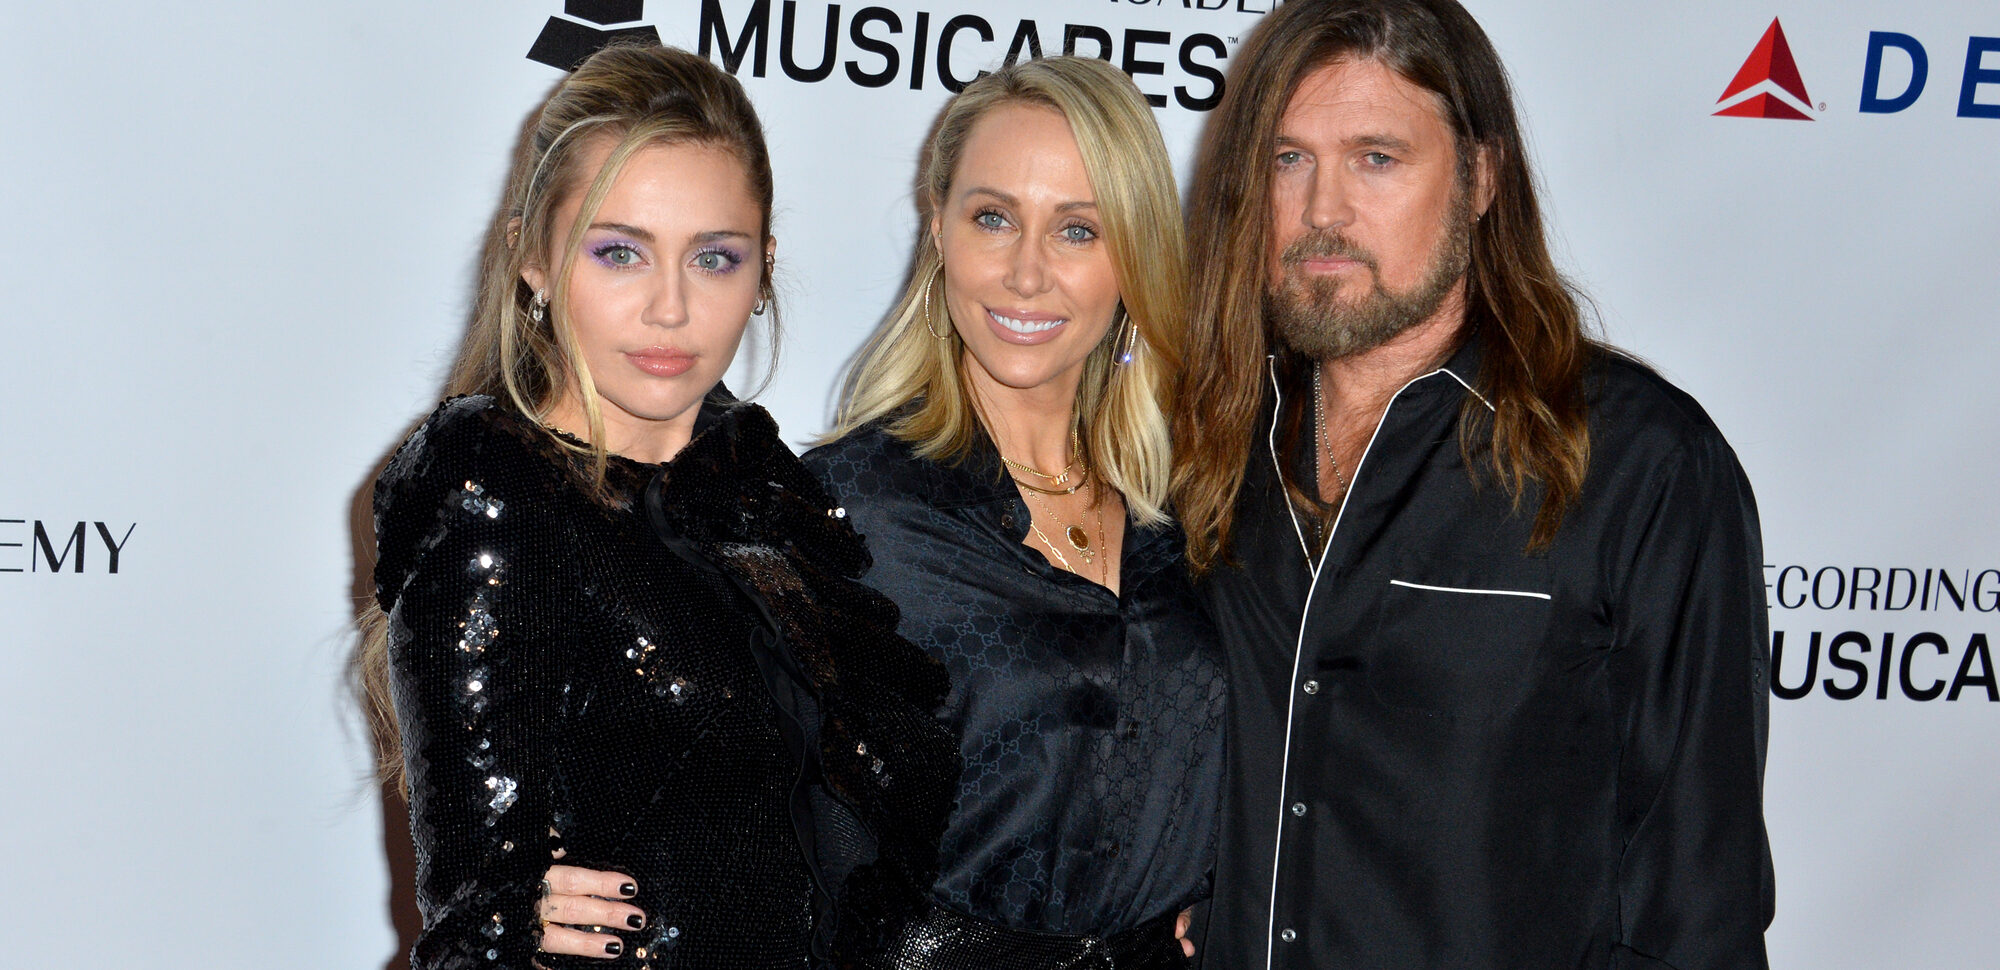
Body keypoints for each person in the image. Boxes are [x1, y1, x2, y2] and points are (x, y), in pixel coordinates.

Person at [542, 55, 1223, 969]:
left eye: (1078, 231)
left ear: (1135, 252)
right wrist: (544, 874)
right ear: (938, 227)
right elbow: (695, 741)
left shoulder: (1201, 508)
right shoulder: (840, 508)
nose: (1027, 273)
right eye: (993, 218)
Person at [1169, 2, 1776, 968]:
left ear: (1482, 176)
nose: (1324, 210)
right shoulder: (1207, 442)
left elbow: (1699, 901)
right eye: (1290, 160)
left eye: (1377, 157)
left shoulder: (1637, 463)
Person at [359, 42, 957, 970]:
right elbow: (479, 927)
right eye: (619, 253)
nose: (670, 309)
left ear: (762, 272)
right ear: (534, 262)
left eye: (714, 258)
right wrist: (504, 913)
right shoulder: (498, 488)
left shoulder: (757, 495)